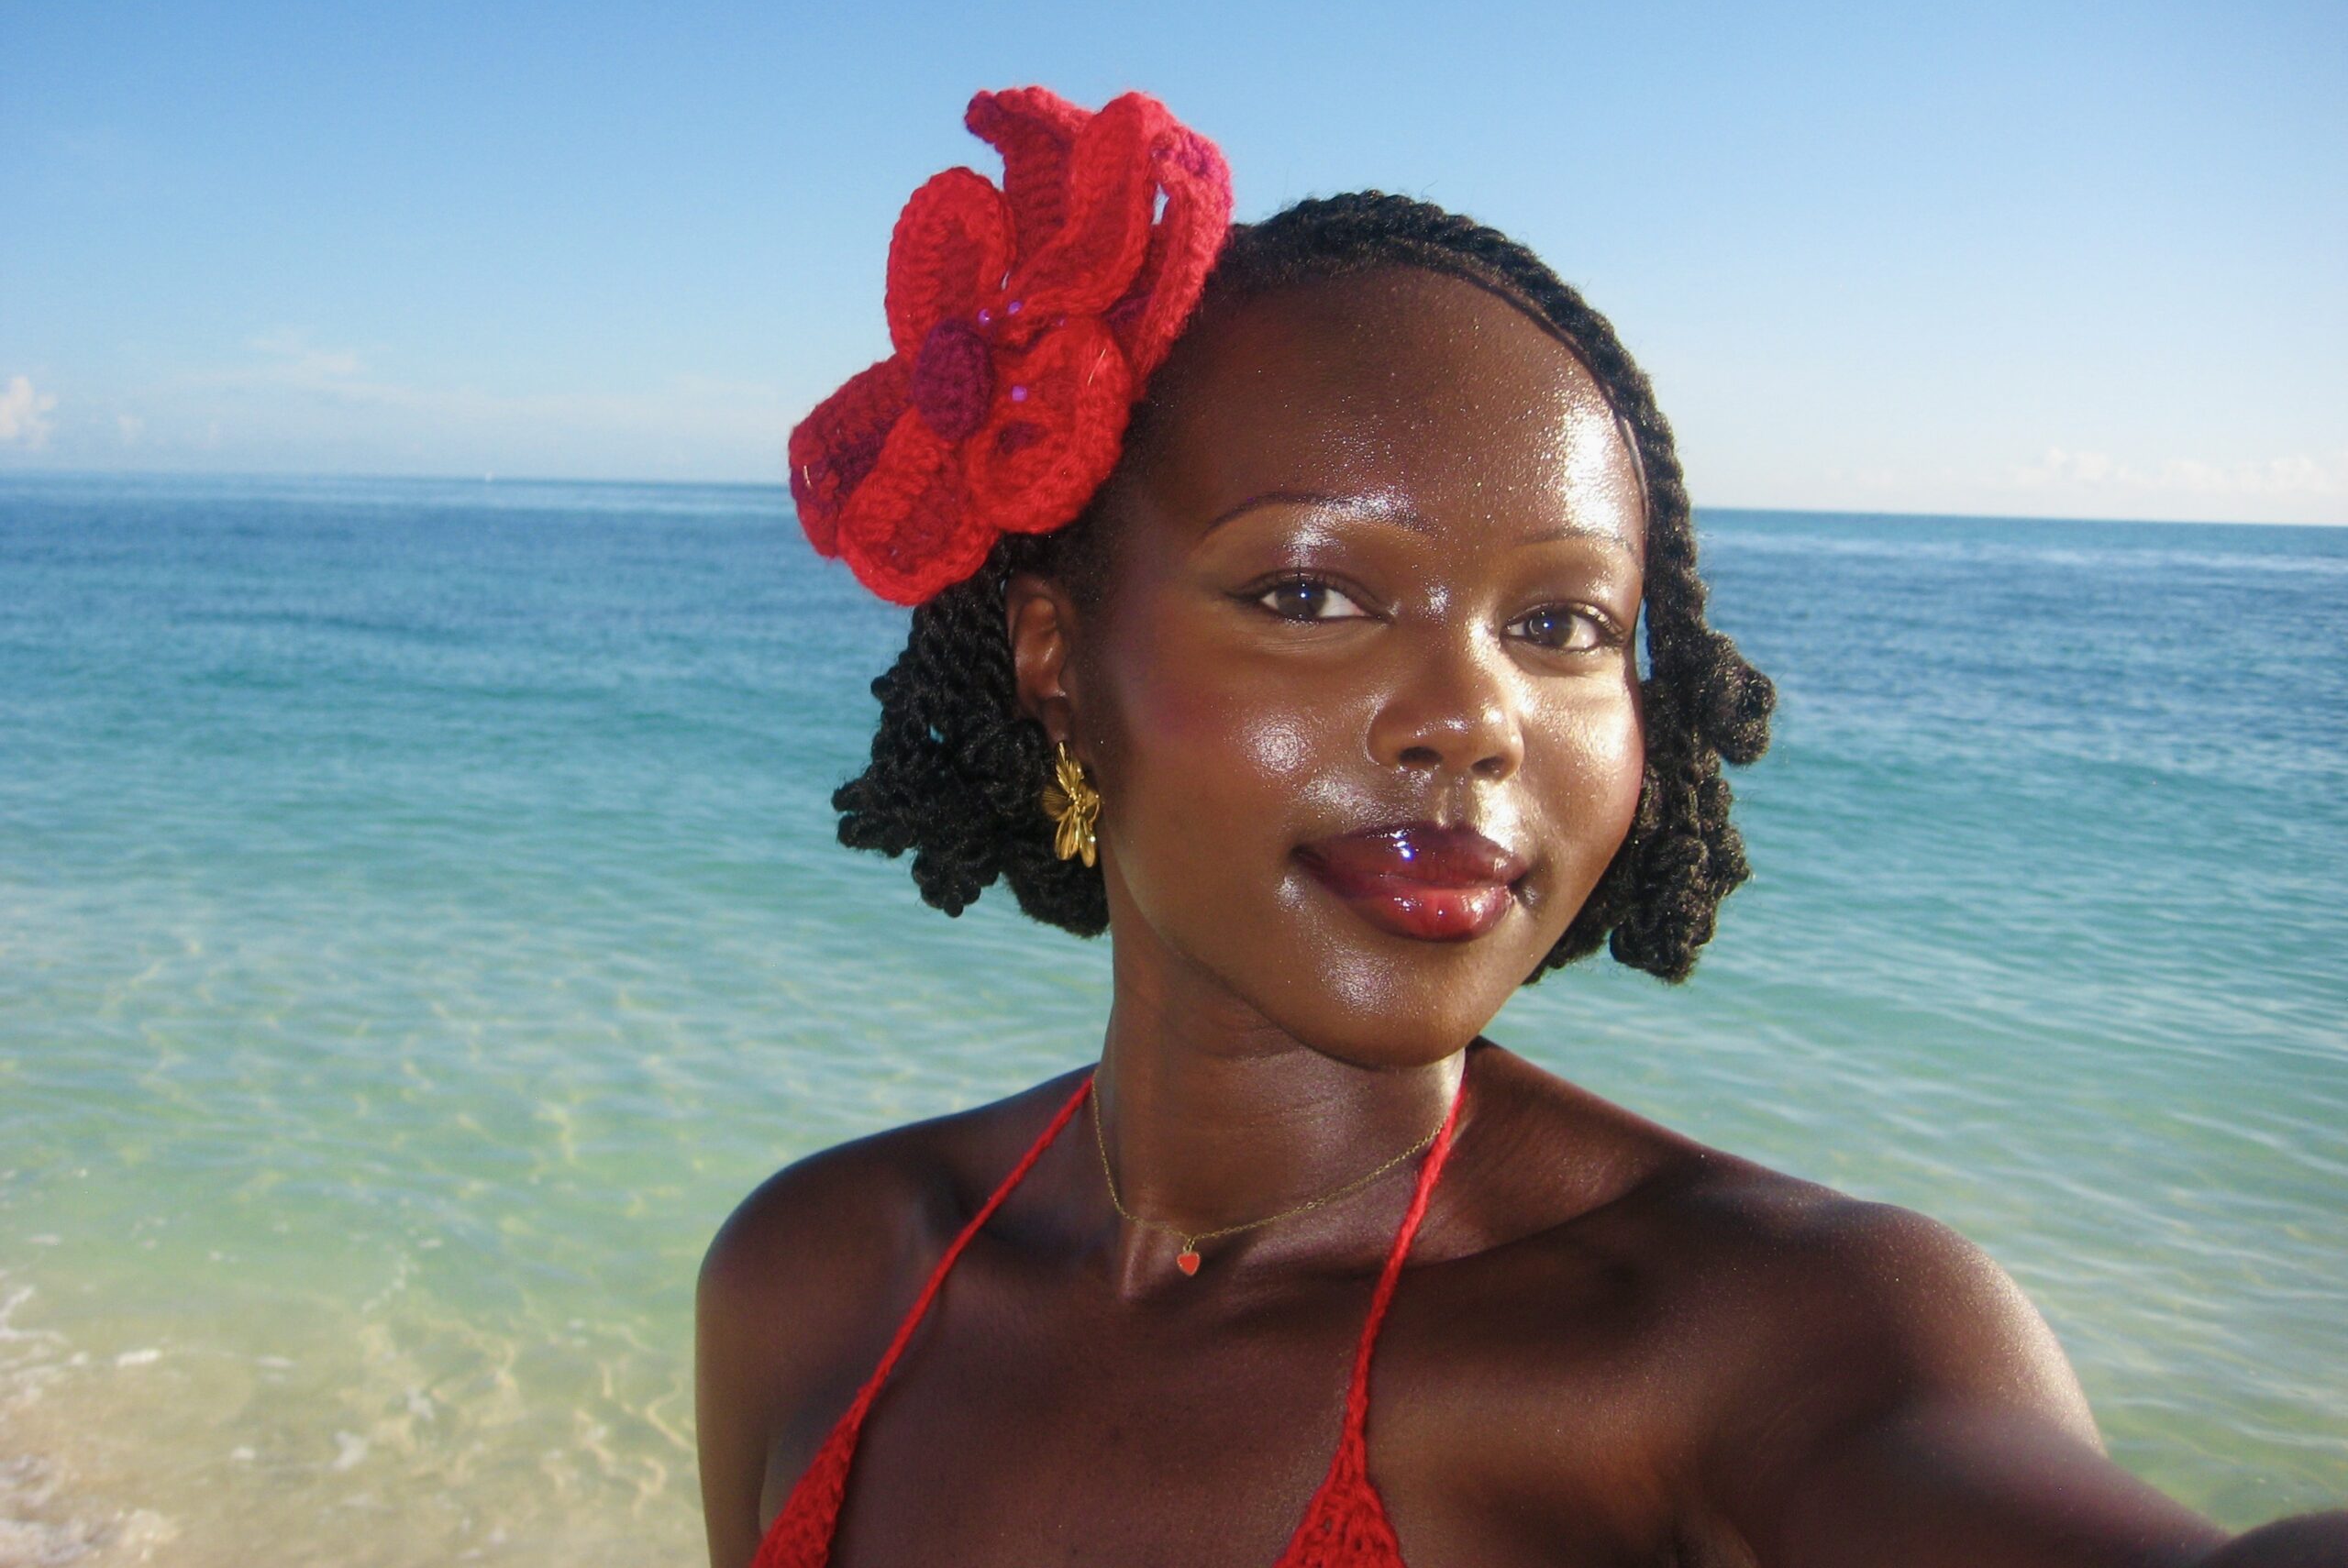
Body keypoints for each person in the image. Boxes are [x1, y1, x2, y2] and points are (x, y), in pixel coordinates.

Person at [697, 87, 2344, 1567]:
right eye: (1313, 591)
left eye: (1563, 628)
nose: (1474, 716)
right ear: (1060, 660)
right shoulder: (820, 1277)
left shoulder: (1752, 1348)